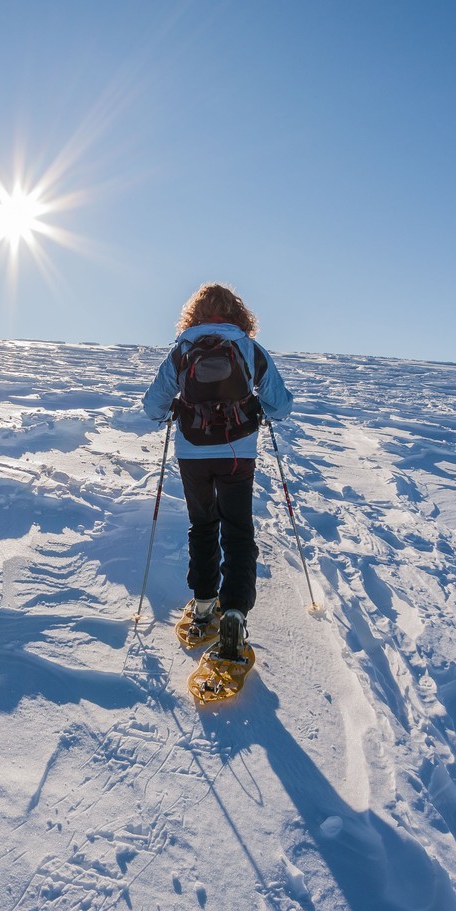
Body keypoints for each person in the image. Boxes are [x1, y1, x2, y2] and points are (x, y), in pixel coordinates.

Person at [142, 282, 292, 663]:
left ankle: (205, 603)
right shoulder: (248, 347)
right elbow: (279, 404)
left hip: (192, 452)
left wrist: (168, 412)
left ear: (194, 313)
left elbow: (153, 404)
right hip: (237, 453)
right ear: (238, 313)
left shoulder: (183, 349)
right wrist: (260, 408)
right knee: (238, 530)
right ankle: (236, 612)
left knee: (203, 525)